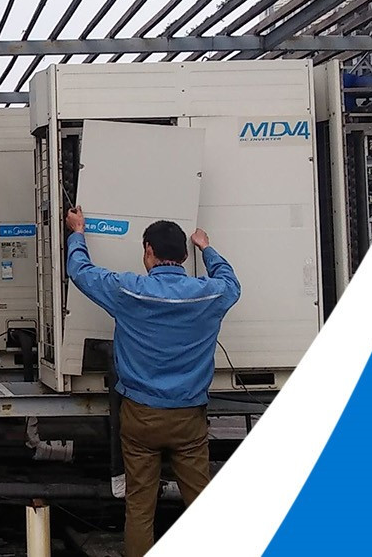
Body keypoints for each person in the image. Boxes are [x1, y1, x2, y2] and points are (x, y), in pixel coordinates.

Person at [64, 207, 242, 557]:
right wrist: (207, 248)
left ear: (148, 250)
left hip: (140, 415)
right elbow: (231, 283)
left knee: (140, 506)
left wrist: (78, 233)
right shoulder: (209, 294)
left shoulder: (129, 291)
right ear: (184, 255)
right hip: (189, 417)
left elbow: (80, 271)